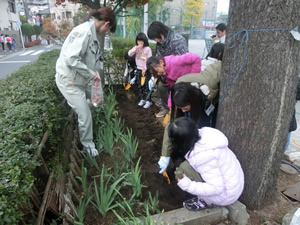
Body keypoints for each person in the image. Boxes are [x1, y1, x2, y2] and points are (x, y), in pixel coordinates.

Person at [55, 7, 116, 156]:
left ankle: (83, 110)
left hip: (82, 80)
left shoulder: (92, 33)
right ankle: (88, 147)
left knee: (96, 102)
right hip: (70, 81)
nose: (107, 32)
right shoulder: (83, 32)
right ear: (106, 24)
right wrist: (91, 74)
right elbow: (71, 59)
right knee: (85, 114)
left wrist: (93, 77)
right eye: (109, 29)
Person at [158, 59, 223, 174]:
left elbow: (219, 66)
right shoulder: (179, 90)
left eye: (185, 108)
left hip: (208, 100)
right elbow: (172, 122)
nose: (182, 111)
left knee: (202, 126)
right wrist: (165, 154)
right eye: (180, 108)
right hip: (197, 100)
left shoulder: (211, 82)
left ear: (192, 101)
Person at [168, 117, 244, 211]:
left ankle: (207, 201)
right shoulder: (206, 136)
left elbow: (216, 188)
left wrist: (187, 185)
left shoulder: (203, 158)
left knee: (184, 167)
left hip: (226, 195)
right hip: (234, 183)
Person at [147, 21, 189, 117]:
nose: (156, 40)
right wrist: (155, 74)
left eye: (155, 38)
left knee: (176, 91)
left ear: (161, 33)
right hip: (165, 71)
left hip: (179, 73)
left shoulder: (177, 40)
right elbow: (157, 58)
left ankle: (179, 111)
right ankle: (166, 108)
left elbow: (184, 60)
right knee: (161, 87)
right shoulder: (160, 43)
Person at [146, 52, 201, 117]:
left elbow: (195, 57)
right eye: (156, 73)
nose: (158, 74)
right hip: (186, 87)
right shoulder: (165, 74)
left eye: (157, 71)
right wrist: (170, 105)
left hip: (196, 84)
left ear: (161, 62)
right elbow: (173, 87)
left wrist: (193, 78)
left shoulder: (174, 61)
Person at [128, 33, 153, 108]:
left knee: (147, 86)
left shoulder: (147, 49)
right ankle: (142, 99)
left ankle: (148, 100)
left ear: (145, 41)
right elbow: (129, 54)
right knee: (140, 85)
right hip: (138, 69)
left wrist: (145, 68)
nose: (140, 43)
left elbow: (149, 60)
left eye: (141, 41)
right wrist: (136, 48)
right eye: (138, 41)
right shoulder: (136, 48)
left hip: (146, 70)